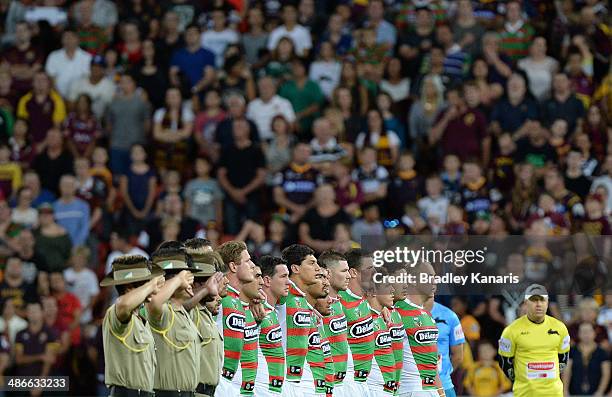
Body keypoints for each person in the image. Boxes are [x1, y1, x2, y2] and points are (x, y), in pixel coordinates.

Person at [100, 254, 164, 397]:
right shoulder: (115, 313)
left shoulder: (140, 319)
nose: (151, 289)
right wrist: (151, 285)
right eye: (144, 283)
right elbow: (123, 304)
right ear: (129, 288)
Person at [148, 242, 203, 396]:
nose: (191, 281)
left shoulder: (183, 312)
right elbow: (155, 302)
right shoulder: (162, 311)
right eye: (187, 276)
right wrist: (178, 279)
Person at [498, 284, 570, 397]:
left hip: (554, 393)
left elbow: (564, 360)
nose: (538, 304)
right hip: (525, 393)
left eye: (542, 300)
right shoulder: (511, 331)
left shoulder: (560, 328)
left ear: (547, 303)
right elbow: (505, 363)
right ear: (526, 303)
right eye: (534, 300)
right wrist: (522, 380)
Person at [395, 261, 443, 397]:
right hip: (409, 390)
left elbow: (432, 362)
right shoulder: (396, 310)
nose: (434, 281)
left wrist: (441, 393)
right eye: (429, 276)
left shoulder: (427, 315)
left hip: (430, 390)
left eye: (435, 277)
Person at [214, 240, 256, 396]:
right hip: (219, 380)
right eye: (247, 261)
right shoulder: (219, 298)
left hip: (235, 382)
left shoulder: (238, 301)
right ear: (233, 266)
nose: (252, 265)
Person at [278, 244, 320, 397]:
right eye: (311, 263)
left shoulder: (301, 298)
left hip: (300, 379)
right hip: (282, 378)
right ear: (295, 268)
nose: (318, 268)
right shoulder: (283, 294)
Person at [183, 250, 226, 397]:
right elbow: (182, 305)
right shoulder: (191, 311)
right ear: (198, 283)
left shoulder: (205, 312)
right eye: (212, 281)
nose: (216, 287)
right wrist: (205, 289)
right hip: (196, 391)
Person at [339, 248, 376, 396]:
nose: (374, 273)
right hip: (347, 382)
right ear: (353, 272)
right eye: (369, 269)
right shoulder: (338, 301)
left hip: (365, 382)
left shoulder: (365, 299)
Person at [256, 255, 289, 396]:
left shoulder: (275, 311)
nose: (289, 282)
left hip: (277, 387)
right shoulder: (255, 310)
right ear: (268, 280)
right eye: (283, 277)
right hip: (259, 386)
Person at [425, 298, 465, 397]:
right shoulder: (398, 312)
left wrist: (444, 375)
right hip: (410, 385)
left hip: (443, 385)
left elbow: (458, 356)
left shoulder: (450, 316)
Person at [366, 275, 397, 395]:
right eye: (388, 286)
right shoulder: (364, 318)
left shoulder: (383, 317)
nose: (393, 290)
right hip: (373, 388)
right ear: (373, 292)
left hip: (388, 389)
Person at [563, 322, 611, 396]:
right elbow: (566, 371)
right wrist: (565, 390)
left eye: (589, 331)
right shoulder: (571, 351)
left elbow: (606, 373)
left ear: (594, 333)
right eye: (583, 331)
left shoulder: (602, 352)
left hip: (596, 394)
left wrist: (600, 391)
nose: (586, 334)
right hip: (574, 393)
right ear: (578, 334)